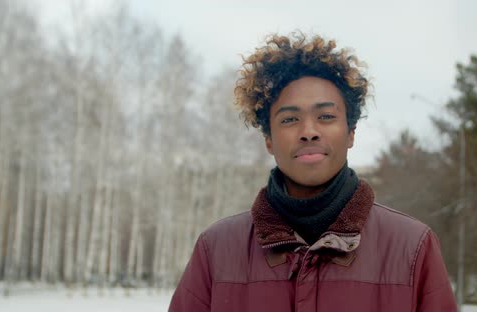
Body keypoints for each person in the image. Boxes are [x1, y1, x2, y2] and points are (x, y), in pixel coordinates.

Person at [168, 32, 457, 312]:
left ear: (351, 132)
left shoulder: (412, 248)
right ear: (268, 139)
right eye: (290, 119)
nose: (309, 132)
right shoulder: (217, 250)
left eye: (326, 116)